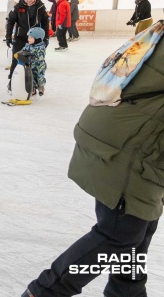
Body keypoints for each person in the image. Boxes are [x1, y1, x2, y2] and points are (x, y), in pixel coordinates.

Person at [22, 21, 164, 297]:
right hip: (129, 150)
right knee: (119, 235)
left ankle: (127, 293)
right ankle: (43, 293)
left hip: (131, 141)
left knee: (137, 235)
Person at [6, 0, 49, 91]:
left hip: (34, 40)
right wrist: (8, 36)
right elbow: (10, 21)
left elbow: (45, 23)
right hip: (20, 38)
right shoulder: (18, 7)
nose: (29, 0)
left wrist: (46, 38)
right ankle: (12, 83)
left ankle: (31, 86)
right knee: (16, 61)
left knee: (33, 64)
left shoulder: (40, 7)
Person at [19, 27, 47, 96]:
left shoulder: (41, 47)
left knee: (40, 77)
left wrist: (30, 56)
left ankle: (41, 87)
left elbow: (40, 57)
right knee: (32, 77)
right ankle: (33, 89)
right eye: (28, 37)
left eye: (31, 38)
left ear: (38, 38)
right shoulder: (28, 45)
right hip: (31, 65)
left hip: (40, 66)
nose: (29, 39)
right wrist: (20, 53)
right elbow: (23, 50)